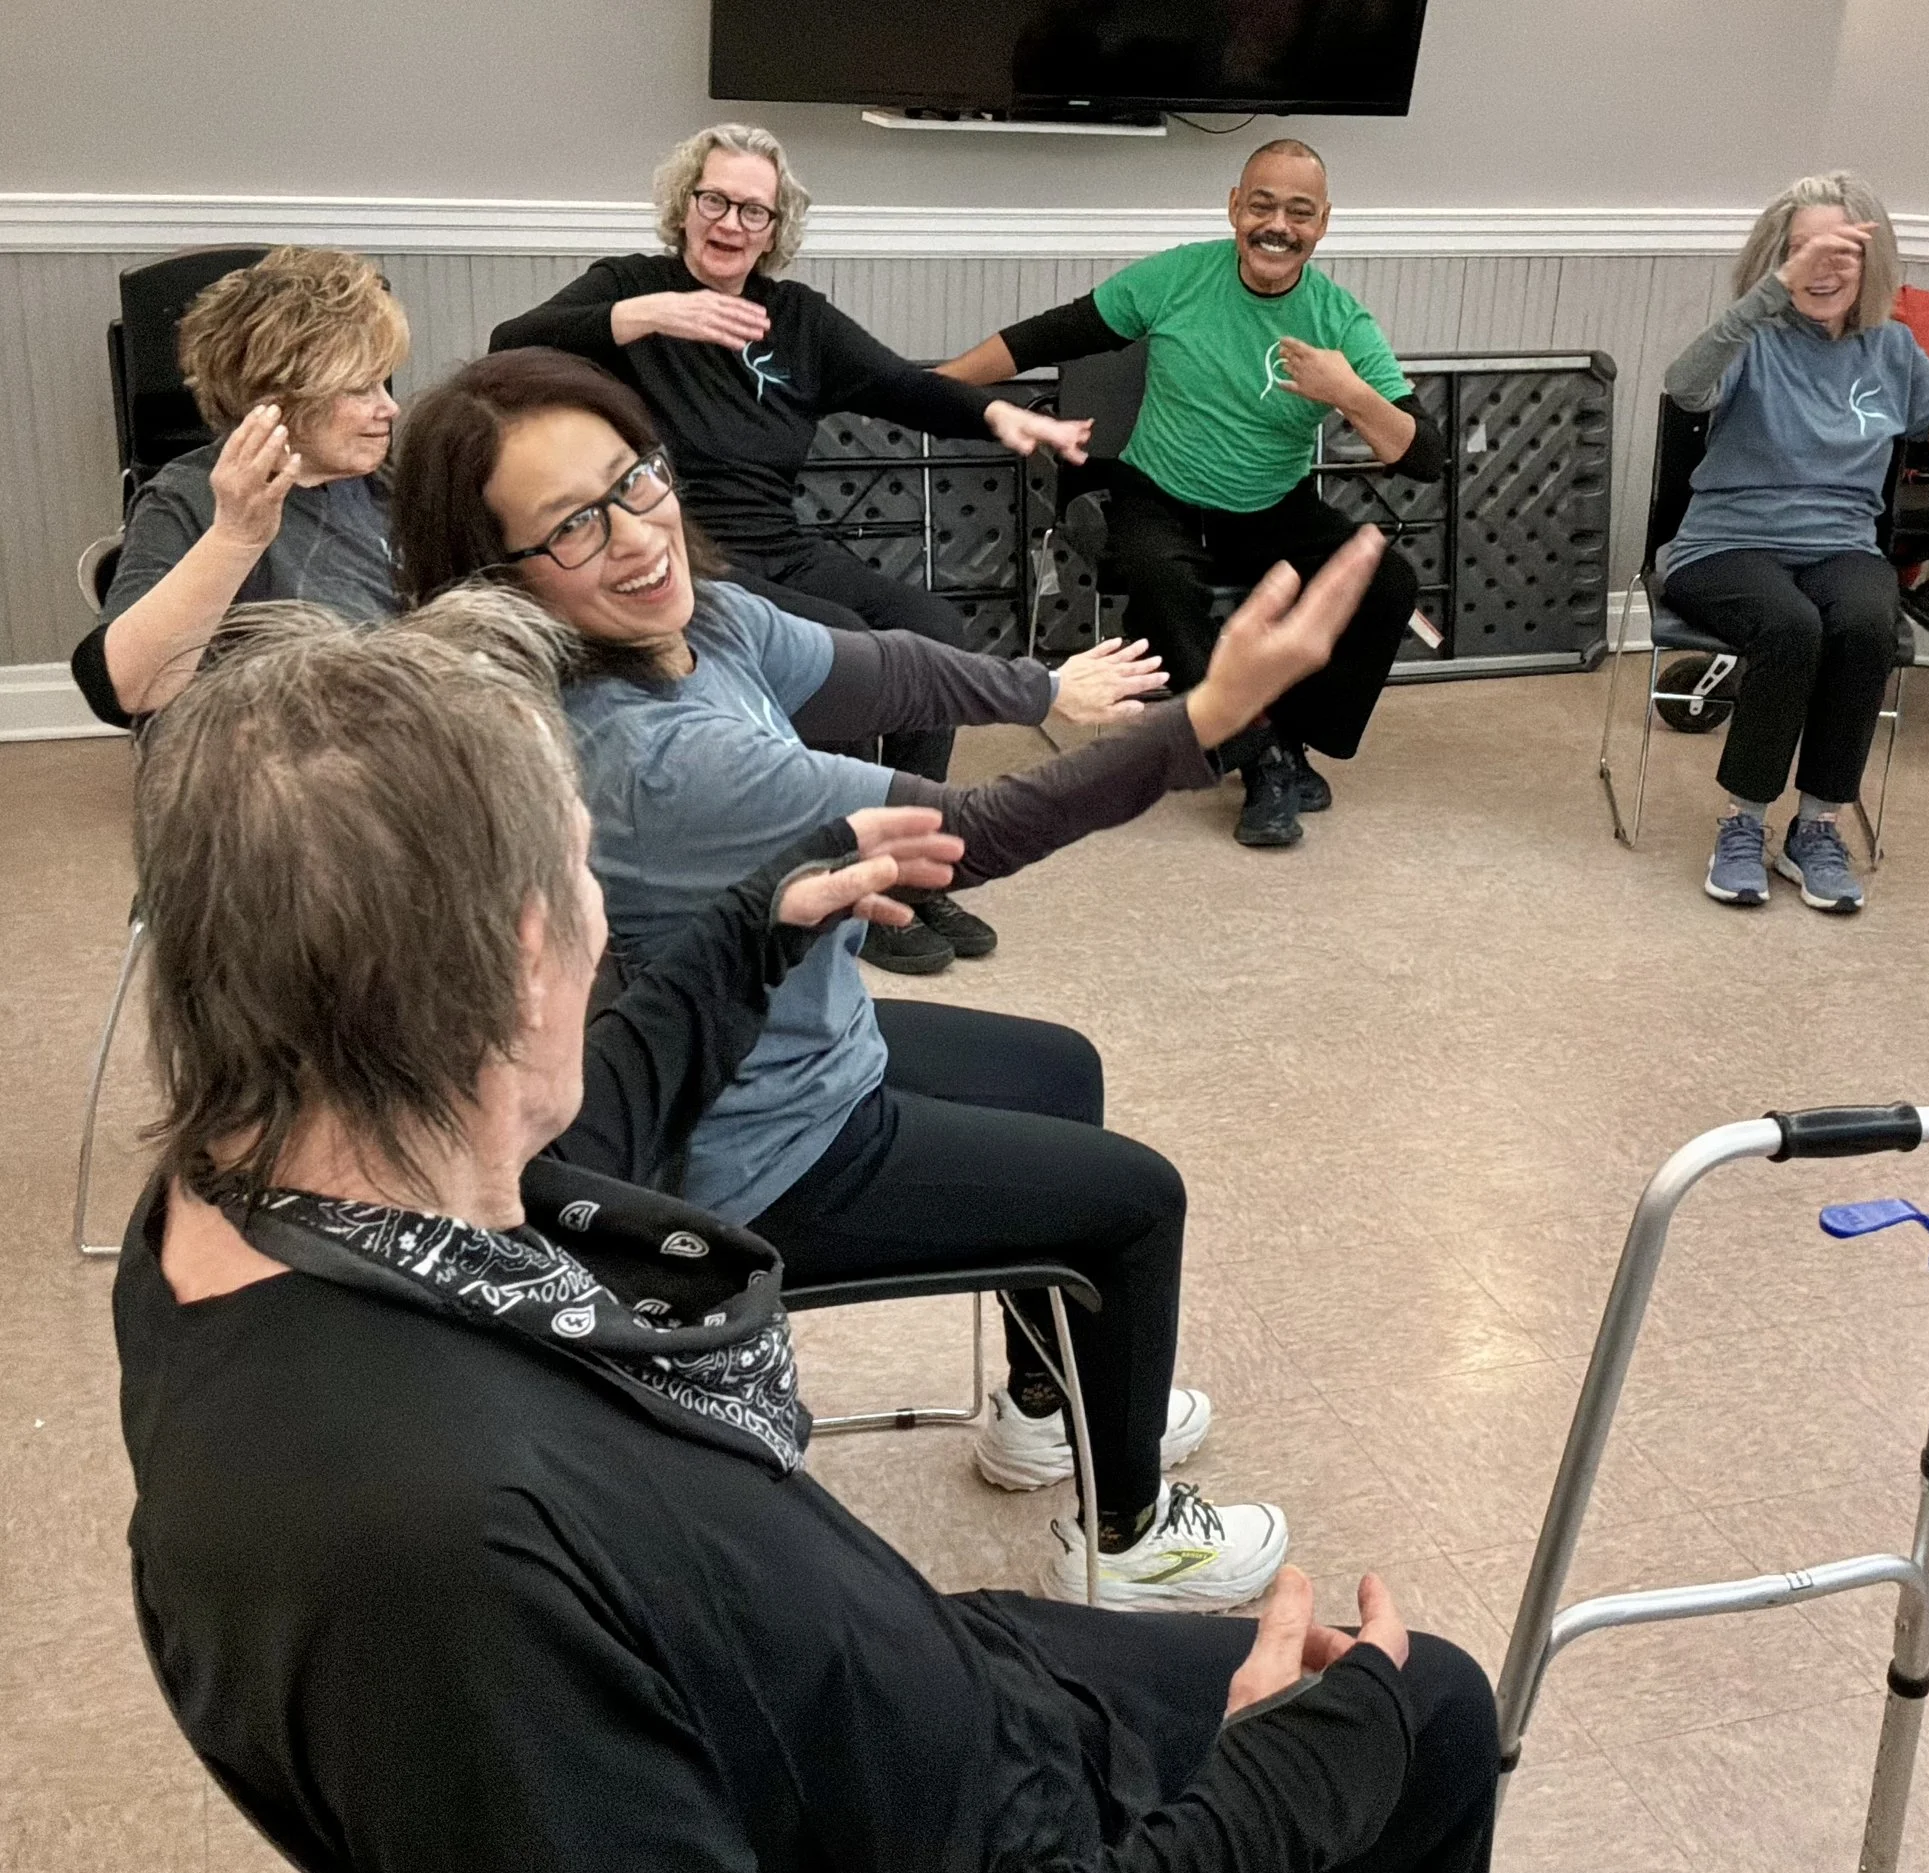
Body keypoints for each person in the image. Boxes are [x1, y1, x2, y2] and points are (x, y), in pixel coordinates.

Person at [115, 600, 1501, 1873]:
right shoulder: (442, 1568)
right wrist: (1256, 1812)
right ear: (524, 955)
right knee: (1422, 1714)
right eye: (588, 877)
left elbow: (583, 1153)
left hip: (898, 1689)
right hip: (957, 1817)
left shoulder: (273, 1201)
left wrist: (750, 927)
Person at [394, 346, 1399, 1607]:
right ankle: (1132, 1538)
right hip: (751, 1150)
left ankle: (1048, 1409)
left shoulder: (698, 623)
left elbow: (888, 667)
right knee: (1138, 1199)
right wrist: (1203, 719)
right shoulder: (651, 758)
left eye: (634, 479)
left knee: (1057, 1071)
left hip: (809, 1054)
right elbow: (963, 836)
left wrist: (1043, 687)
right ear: (499, 578)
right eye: (572, 526)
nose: (638, 534)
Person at [489, 122, 1094, 973]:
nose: (731, 223)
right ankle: (843, 876)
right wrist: (650, 314)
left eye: (754, 211)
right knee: (839, 648)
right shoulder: (629, 288)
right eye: (715, 201)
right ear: (685, 205)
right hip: (685, 557)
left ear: (776, 228)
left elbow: (900, 384)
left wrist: (998, 413)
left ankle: (908, 869)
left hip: (781, 539)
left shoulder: (797, 319)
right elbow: (508, 345)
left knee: (932, 624)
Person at [941, 138, 1446, 849]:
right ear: (1235, 208)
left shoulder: (1341, 321)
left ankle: (1288, 735)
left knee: (1388, 582)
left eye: (1299, 212)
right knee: (1157, 581)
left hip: (1271, 505)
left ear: (1323, 224)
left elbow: (1424, 458)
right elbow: (1051, 334)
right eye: (1262, 205)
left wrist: (1350, 392)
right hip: (1159, 493)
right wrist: (931, 386)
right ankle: (1260, 754)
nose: (1278, 226)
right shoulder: (1178, 277)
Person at [1655, 173, 1929, 914]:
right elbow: (1685, 386)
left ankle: (1816, 827)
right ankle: (1742, 822)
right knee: (1790, 625)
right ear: (1777, 260)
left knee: (1868, 621)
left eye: (1841, 253)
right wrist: (1769, 294)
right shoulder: (1751, 337)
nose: (1822, 269)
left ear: (1871, 265)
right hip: (1724, 544)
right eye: (1804, 251)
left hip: (1840, 545)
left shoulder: (1892, 349)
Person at [71, 246, 406, 726]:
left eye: (382, 383)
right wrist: (236, 538)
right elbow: (127, 689)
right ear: (274, 398)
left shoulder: (391, 485)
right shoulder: (188, 499)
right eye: (359, 388)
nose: (389, 408)